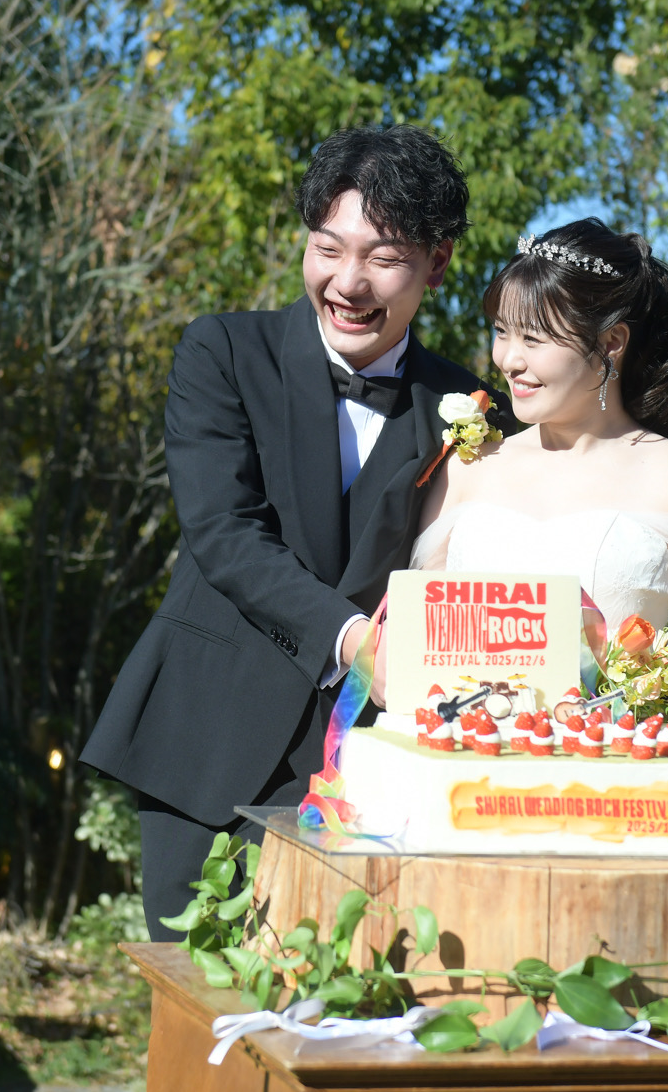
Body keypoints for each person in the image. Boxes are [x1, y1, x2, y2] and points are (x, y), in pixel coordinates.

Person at [81, 125, 511, 936]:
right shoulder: (223, 351)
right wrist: (356, 640)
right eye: (328, 248)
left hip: (376, 775)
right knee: (201, 996)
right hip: (208, 742)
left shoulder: (470, 409)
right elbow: (224, 533)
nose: (348, 282)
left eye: (383, 257)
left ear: (437, 263)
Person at [403, 218, 668, 874]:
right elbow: (420, 632)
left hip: (611, 808)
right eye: (502, 331)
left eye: (534, 338)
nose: (508, 359)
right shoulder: (469, 465)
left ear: (611, 342)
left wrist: (647, 712)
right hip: (461, 799)